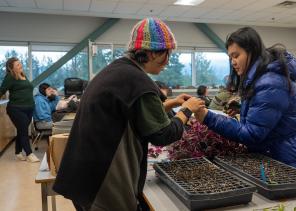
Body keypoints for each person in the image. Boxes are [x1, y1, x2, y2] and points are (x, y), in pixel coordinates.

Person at [53, 17, 204, 211]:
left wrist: (172, 103)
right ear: (150, 52)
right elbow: (163, 134)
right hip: (104, 180)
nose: (168, 61)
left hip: (83, 175)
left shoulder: (118, 71)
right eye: (167, 53)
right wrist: (186, 110)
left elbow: (130, 114)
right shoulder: (138, 82)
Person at [194, 27, 296, 175]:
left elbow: (252, 134)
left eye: (236, 55)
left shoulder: (271, 82)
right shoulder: (263, 76)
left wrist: (208, 117)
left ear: (252, 51)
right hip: (284, 158)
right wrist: (243, 108)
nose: (233, 62)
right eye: (230, 57)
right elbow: (269, 113)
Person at [0, 57, 40, 162]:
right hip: (16, 109)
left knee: (21, 130)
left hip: (29, 108)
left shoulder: (23, 75)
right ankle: (29, 153)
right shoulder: (10, 77)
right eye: (17, 65)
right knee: (23, 131)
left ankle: (18, 152)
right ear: (11, 68)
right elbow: (2, 90)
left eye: (20, 63)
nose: (20, 65)